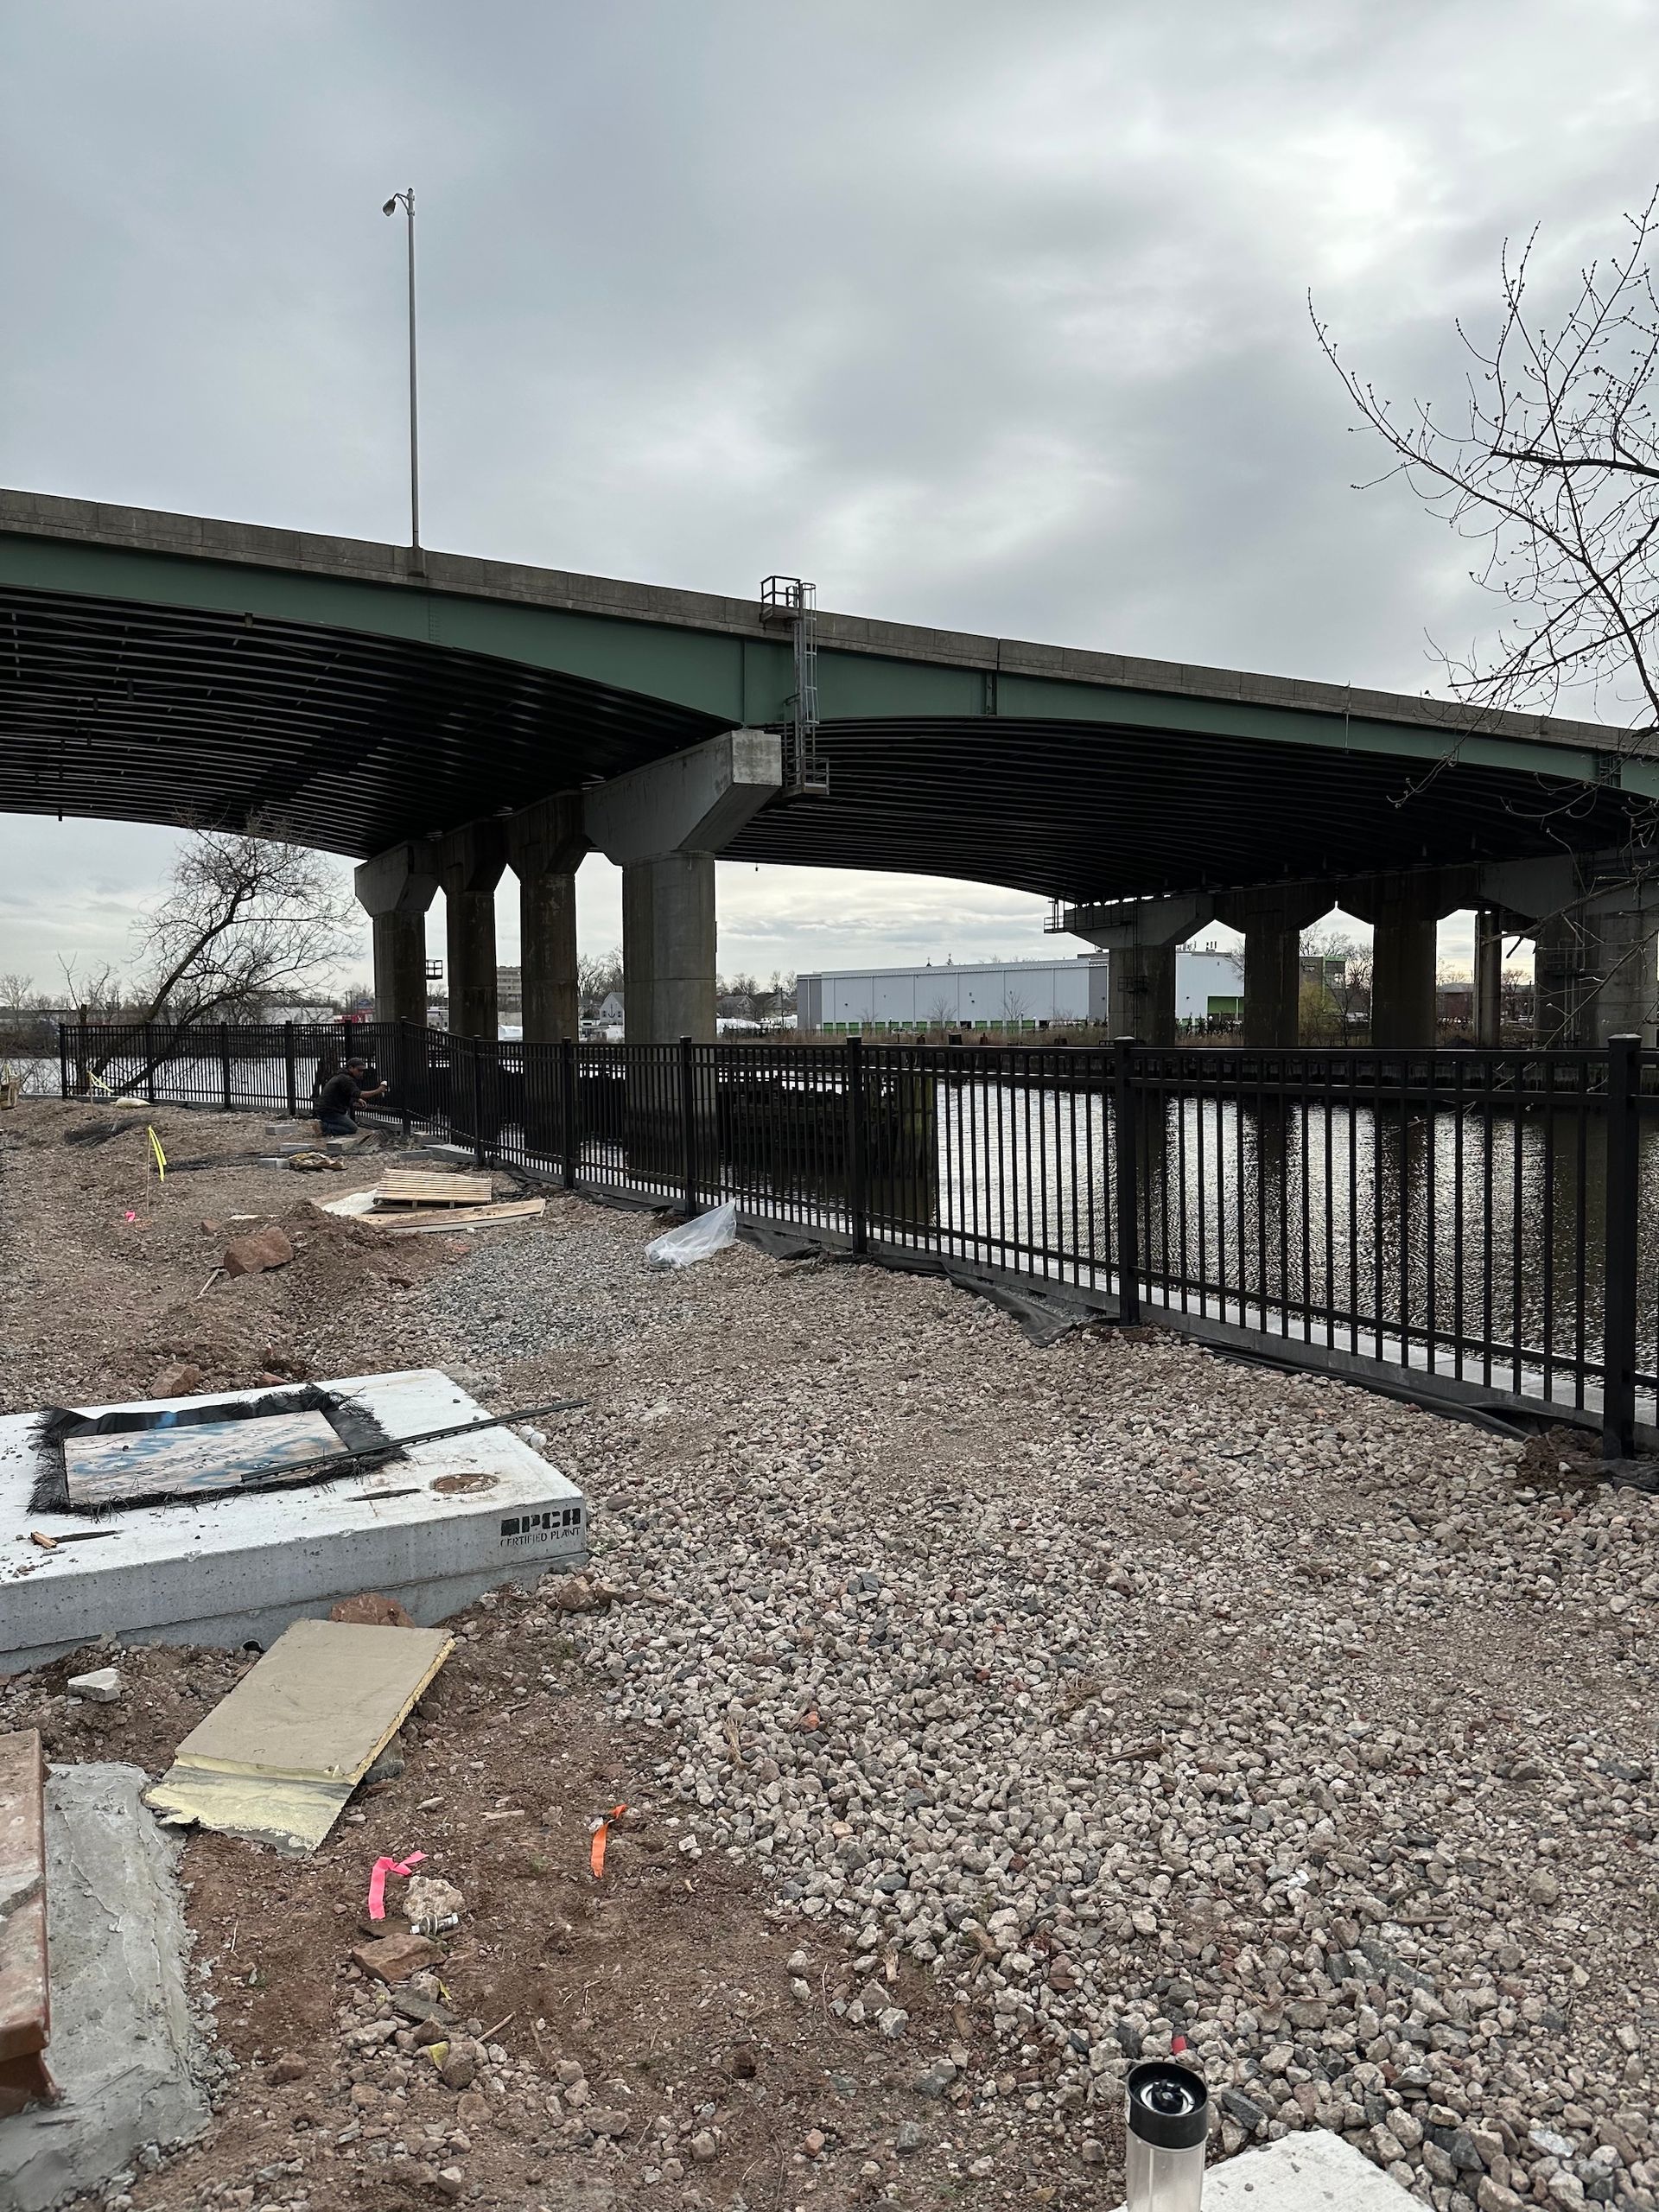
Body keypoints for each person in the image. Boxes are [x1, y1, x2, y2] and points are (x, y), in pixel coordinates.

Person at [315, 1057, 387, 1135]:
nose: (361, 1073)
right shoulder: (346, 1079)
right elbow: (360, 1094)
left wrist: (357, 1099)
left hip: (328, 1109)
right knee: (352, 1128)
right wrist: (378, 1091)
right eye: (359, 1070)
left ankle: (326, 1124)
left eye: (362, 1071)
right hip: (330, 1111)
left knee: (348, 1125)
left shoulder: (343, 1076)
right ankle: (324, 1128)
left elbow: (347, 1093)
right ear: (350, 1068)